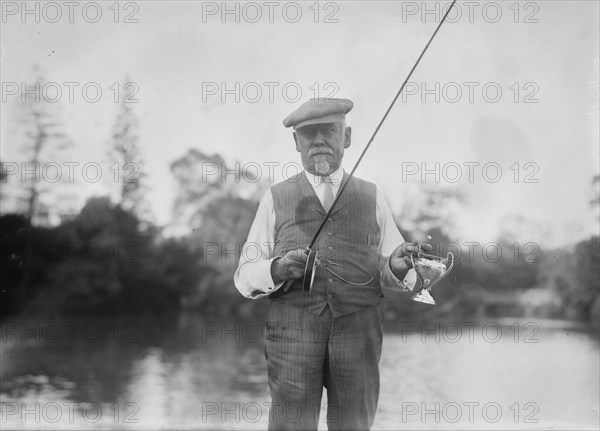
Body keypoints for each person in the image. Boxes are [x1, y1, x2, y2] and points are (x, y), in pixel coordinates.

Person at [234, 98, 431, 430]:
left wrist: (398, 267)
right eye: (309, 134)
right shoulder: (275, 197)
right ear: (296, 142)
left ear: (348, 137)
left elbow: (401, 273)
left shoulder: (373, 196)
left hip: (359, 333)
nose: (319, 142)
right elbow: (244, 277)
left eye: (329, 131)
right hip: (292, 334)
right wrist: (278, 269)